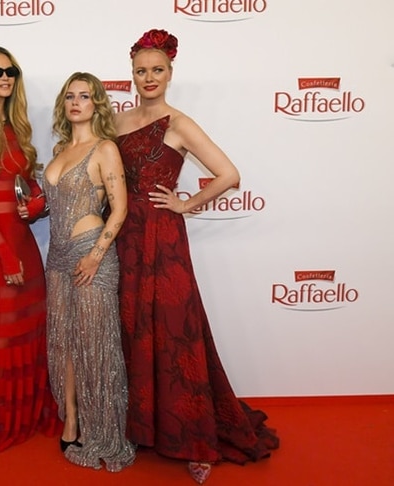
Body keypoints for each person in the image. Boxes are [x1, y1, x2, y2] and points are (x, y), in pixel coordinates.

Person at [114, 28, 280, 484]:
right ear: (132, 75)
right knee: (133, 330)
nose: (149, 78)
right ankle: (142, 428)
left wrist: (185, 204)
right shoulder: (118, 121)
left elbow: (229, 174)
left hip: (163, 240)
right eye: (141, 71)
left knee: (174, 334)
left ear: (170, 73)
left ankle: (195, 438)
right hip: (124, 239)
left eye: (157, 70)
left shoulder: (178, 123)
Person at [0, 45, 61, 451]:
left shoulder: (17, 128)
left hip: (23, 236)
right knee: (5, 331)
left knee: (34, 324)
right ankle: (1, 419)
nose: (5, 78)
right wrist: (4, 255)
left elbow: (26, 189)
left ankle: (32, 411)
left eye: (11, 72)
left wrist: (38, 202)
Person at [42, 72, 135, 472]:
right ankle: (72, 419)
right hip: (58, 257)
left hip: (91, 255)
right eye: (70, 97)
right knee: (64, 342)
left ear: (97, 103)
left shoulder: (105, 149)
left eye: (84, 96)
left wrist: (97, 254)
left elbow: (119, 208)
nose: (76, 102)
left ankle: (103, 427)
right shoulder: (60, 150)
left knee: (94, 344)